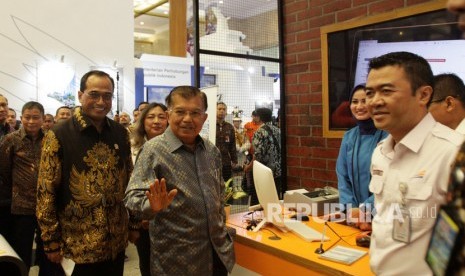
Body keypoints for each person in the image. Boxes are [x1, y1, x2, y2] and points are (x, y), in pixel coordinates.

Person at [364, 51, 463, 275]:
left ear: (423, 95)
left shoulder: (454, 152)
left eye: (386, 91)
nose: (375, 101)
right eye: (370, 92)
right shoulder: (381, 152)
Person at [124, 86, 235, 275]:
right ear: (169, 115)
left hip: (217, 252)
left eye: (195, 113)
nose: (187, 119)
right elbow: (132, 197)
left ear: (204, 118)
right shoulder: (153, 150)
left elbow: (219, 192)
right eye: (180, 112)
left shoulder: (211, 151)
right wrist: (151, 205)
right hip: (177, 260)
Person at [36, 70, 133, 275]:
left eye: (107, 96)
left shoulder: (120, 133)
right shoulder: (59, 135)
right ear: (80, 95)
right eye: (94, 94)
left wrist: (133, 223)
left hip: (115, 243)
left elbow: (129, 182)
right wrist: (50, 240)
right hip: (76, 246)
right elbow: (46, 190)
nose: (101, 101)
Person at [0, 101, 44, 272]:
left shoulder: (50, 138)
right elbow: (3, 171)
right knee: (22, 250)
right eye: (27, 117)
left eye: (35, 118)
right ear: (21, 117)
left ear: (42, 118)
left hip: (46, 206)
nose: (31, 122)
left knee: (47, 251)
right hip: (21, 207)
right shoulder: (11, 139)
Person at [336, 84, 387, 229]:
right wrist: (349, 209)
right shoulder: (349, 137)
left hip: (382, 217)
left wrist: (365, 210)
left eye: (364, 101)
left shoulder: (389, 136)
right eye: (354, 101)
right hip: (355, 219)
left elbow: (388, 180)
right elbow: (343, 176)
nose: (359, 106)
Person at [129, 102, 168, 276]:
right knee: (147, 264)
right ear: (143, 121)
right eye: (151, 117)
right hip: (141, 219)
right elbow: (128, 186)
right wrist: (135, 222)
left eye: (161, 116)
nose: (156, 121)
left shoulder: (173, 148)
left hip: (167, 220)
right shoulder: (131, 147)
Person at [246, 107, 281, 205]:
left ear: (259, 117)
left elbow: (258, 155)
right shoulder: (277, 130)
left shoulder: (259, 132)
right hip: (278, 172)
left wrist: (248, 167)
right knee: (274, 200)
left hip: (264, 173)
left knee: (260, 202)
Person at [216, 102, 238, 182]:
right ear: (215, 110)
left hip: (226, 162)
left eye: (224, 109)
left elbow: (232, 145)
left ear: (226, 112)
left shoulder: (229, 127)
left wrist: (234, 160)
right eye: (219, 109)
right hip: (212, 162)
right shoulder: (210, 125)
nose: (221, 111)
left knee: (227, 184)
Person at [231, 116, 248, 199]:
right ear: (233, 122)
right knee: (235, 170)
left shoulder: (244, 131)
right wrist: (236, 147)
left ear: (240, 122)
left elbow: (248, 142)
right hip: (234, 154)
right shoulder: (231, 130)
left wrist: (243, 148)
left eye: (238, 121)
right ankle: (234, 188)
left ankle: (239, 186)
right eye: (235, 121)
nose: (237, 123)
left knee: (241, 170)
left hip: (242, 154)